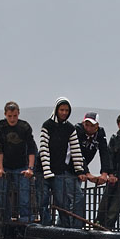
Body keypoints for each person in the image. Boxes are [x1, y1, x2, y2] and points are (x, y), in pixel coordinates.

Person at [39, 97, 86, 228]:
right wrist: (47, 170)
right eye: (61, 110)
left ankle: (64, 227)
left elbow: (75, 150)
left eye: (66, 110)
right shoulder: (47, 125)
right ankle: (45, 225)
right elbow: (44, 148)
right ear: (56, 110)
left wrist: (79, 170)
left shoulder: (70, 128)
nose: (64, 113)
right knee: (43, 200)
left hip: (59, 170)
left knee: (62, 202)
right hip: (43, 171)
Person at [0, 102, 38, 221]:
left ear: (18, 113)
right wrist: (0, 168)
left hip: (21, 166)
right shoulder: (1, 126)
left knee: (24, 196)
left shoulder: (24, 127)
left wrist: (30, 168)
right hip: (5, 165)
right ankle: (4, 221)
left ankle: (25, 221)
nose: (12, 119)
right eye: (9, 116)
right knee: (2, 195)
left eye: (15, 116)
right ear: (5, 114)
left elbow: (31, 148)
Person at [75, 111, 112, 185]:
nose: (89, 128)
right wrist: (87, 173)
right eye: (86, 125)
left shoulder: (100, 133)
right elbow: (77, 152)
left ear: (97, 125)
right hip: (71, 166)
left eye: (92, 126)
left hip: (82, 168)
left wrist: (104, 173)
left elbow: (104, 153)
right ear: (83, 123)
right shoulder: (77, 130)